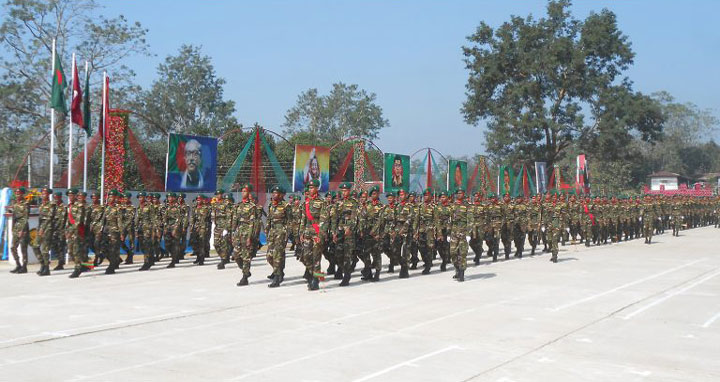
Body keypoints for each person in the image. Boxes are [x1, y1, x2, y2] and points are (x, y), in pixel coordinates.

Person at [299, 179, 329, 291]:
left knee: (316, 258)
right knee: (306, 257)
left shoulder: (322, 202)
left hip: (317, 233)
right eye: (309, 188)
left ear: (317, 188)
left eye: (312, 187)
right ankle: (316, 275)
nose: (310, 189)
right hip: (307, 232)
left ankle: (315, 281)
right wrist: (301, 232)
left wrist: (320, 235)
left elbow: (324, 220)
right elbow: (303, 219)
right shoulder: (306, 203)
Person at [332, 182, 358, 286]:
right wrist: (334, 232)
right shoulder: (338, 203)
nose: (344, 192)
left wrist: (350, 228)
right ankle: (342, 269)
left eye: (346, 190)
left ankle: (346, 276)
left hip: (349, 232)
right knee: (338, 253)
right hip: (339, 231)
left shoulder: (354, 203)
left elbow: (355, 217)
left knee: (347, 254)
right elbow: (334, 218)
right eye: (342, 191)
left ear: (349, 191)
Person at [231, 184, 258, 286]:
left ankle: (244, 277)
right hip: (238, 233)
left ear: (249, 193)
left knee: (246, 256)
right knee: (236, 255)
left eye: (245, 191)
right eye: (242, 191)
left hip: (247, 233)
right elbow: (235, 220)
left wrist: (249, 237)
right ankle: (246, 271)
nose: (243, 193)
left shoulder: (252, 206)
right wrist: (232, 233)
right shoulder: (238, 206)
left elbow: (252, 223)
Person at [266, 186, 291, 287]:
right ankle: (279, 271)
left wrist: (286, 233)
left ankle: (276, 278)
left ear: (281, 195)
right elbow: (269, 218)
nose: (274, 195)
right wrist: (267, 229)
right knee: (269, 256)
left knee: (277, 255)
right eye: (273, 193)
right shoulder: (271, 205)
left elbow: (290, 221)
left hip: (281, 232)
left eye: (276, 193)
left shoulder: (286, 205)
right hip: (272, 232)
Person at [449, 188, 472, 281]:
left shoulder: (467, 206)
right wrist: (448, 233)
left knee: (462, 253)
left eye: (461, 193)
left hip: (463, 231)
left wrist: (468, 233)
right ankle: (457, 269)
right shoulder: (452, 206)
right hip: (454, 231)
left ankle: (462, 272)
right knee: (453, 252)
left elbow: (470, 220)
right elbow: (449, 220)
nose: (459, 194)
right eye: (458, 193)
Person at [34, 188, 55, 276]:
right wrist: (39, 228)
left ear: (48, 194)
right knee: (35, 246)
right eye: (42, 193)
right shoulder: (41, 204)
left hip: (48, 228)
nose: (43, 194)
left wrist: (43, 229)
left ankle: (46, 269)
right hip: (41, 228)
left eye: (45, 193)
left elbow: (49, 218)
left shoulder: (51, 204)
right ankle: (43, 264)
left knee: (45, 250)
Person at [9, 187, 30, 274]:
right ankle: (18, 265)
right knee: (13, 247)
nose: (17, 194)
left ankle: (24, 266)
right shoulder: (14, 203)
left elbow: (25, 218)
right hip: (16, 228)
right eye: (16, 193)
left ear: (22, 194)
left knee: (23, 248)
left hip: (23, 228)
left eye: (19, 193)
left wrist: (22, 230)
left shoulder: (25, 203)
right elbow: (14, 215)